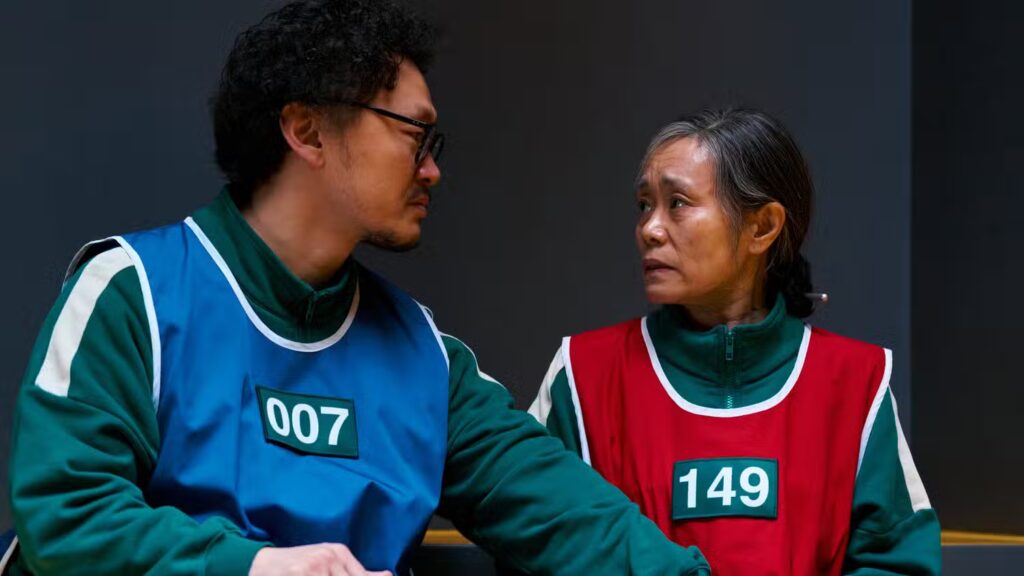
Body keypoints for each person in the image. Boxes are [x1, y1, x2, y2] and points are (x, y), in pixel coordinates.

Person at [4, 1, 711, 574]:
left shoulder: (423, 357)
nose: (432, 170)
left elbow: (568, 514)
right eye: (414, 135)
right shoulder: (133, 292)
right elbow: (67, 517)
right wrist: (257, 568)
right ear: (308, 131)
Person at [528, 109, 941, 575]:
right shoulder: (581, 375)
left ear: (761, 227)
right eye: (644, 205)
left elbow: (898, 562)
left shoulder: (857, 383)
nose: (649, 229)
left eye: (677, 203)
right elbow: (536, 540)